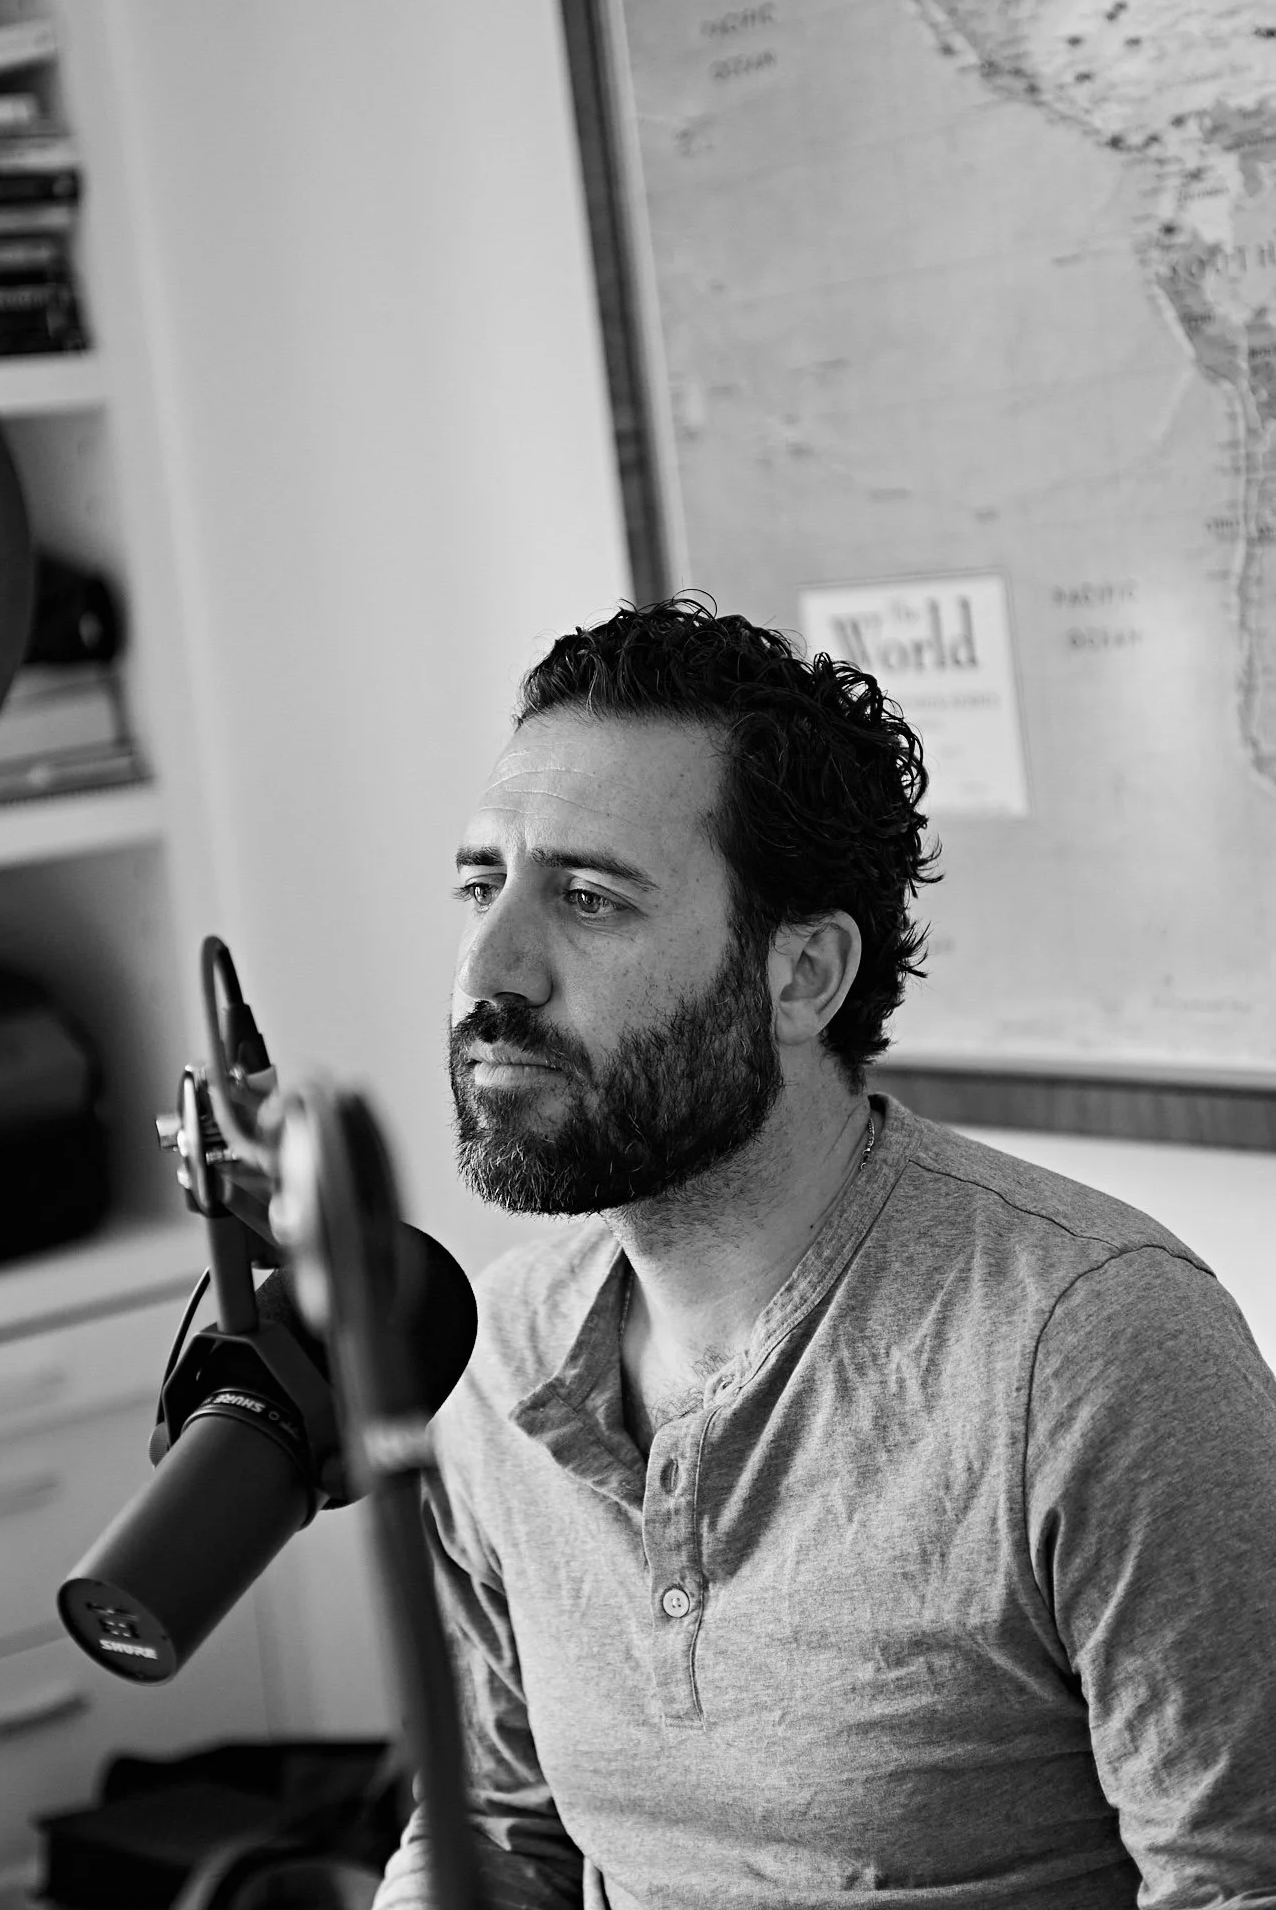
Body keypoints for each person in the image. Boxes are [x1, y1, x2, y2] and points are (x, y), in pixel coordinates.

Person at [376, 598, 1276, 1910]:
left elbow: (1236, 1885)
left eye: (585, 897)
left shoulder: (1089, 1350)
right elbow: (498, 1829)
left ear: (800, 977)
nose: (488, 970)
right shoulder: (494, 1347)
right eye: (479, 884)